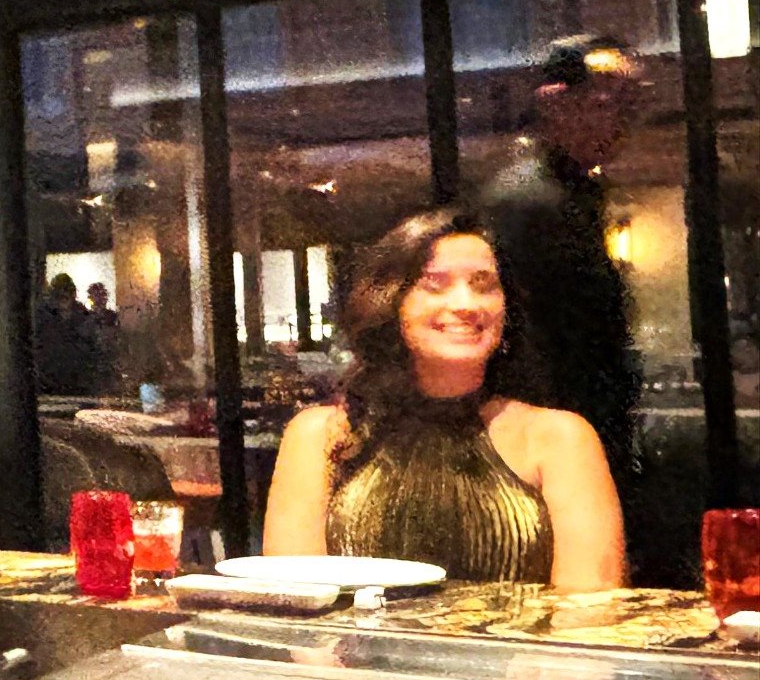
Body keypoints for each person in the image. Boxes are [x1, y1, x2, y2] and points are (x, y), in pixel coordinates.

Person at [263, 211, 625, 589]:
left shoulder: (560, 438)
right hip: (352, 649)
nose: (466, 303)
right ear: (391, 302)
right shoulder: (320, 436)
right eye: (435, 285)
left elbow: (590, 612)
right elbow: (296, 611)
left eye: (484, 285)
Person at [478, 36, 646, 486]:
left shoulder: (567, 192)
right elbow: (536, 341)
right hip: (553, 442)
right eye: (606, 103)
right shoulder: (530, 199)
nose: (621, 122)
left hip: (574, 431)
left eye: (630, 106)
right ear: (557, 103)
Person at [33, 273, 93, 396]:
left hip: (80, 385)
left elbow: (94, 352)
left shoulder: (84, 318)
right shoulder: (42, 319)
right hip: (48, 385)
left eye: (67, 292)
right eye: (59, 293)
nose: (64, 296)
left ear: (73, 294)